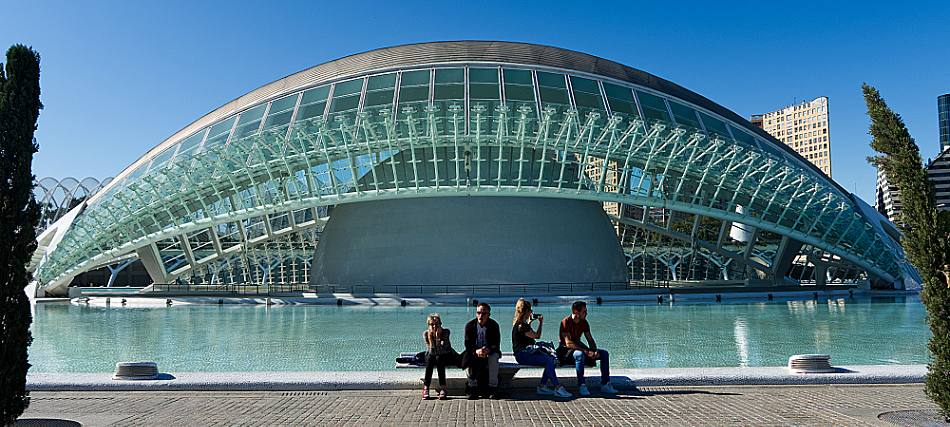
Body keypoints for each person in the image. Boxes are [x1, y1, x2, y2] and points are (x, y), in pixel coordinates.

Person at [512, 298, 572, 398]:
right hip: (522, 355)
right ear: (526, 311)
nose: (531, 312)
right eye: (530, 310)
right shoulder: (522, 326)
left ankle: (542, 386)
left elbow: (527, 337)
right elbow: (537, 335)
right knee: (549, 360)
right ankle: (557, 388)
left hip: (524, 354)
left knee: (551, 359)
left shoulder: (521, 325)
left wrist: (530, 322)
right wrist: (540, 323)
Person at [559, 301, 618, 395]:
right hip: (566, 352)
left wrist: (594, 351)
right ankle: (581, 385)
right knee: (580, 354)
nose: (586, 314)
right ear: (577, 312)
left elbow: (590, 340)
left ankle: (605, 384)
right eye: (584, 312)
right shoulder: (566, 322)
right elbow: (568, 343)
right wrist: (586, 352)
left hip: (580, 348)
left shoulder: (584, 323)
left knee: (604, 354)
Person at [463, 302, 501, 399]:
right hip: (475, 351)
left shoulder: (494, 325)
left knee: (495, 356)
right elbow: (468, 345)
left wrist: (487, 351)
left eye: (484, 314)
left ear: (488, 315)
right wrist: (477, 351)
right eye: (478, 313)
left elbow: (496, 345)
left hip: (488, 352)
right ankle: (472, 386)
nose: (481, 316)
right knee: (468, 356)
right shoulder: (470, 326)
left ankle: (493, 387)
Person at [422, 313, 452, 400]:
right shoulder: (426, 334)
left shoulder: (446, 332)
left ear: (440, 324)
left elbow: (442, 351)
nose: (434, 327)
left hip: (445, 356)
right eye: (432, 324)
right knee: (431, 358)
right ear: (428, 325)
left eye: (436, 324)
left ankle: (443, 388)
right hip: (432, 356)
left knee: (439, 358)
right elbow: (431, 351)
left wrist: (438, 337)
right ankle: (426, 388)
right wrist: (431, 338)